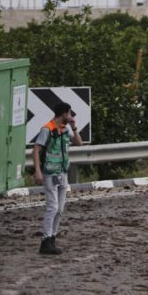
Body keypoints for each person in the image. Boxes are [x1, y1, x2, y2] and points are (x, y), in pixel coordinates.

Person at [33, 102, 82, 255]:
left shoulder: (64, 129)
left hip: (62, 173)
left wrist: (74, 127)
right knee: (52, 207)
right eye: (70, 113)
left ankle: (52, 239)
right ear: (64, 114)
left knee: (59, 209)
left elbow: (78, 143)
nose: (71, 116)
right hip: (50, 173)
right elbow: (36, 150)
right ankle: (45, 241)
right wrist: (38, 171)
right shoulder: (47, 129)